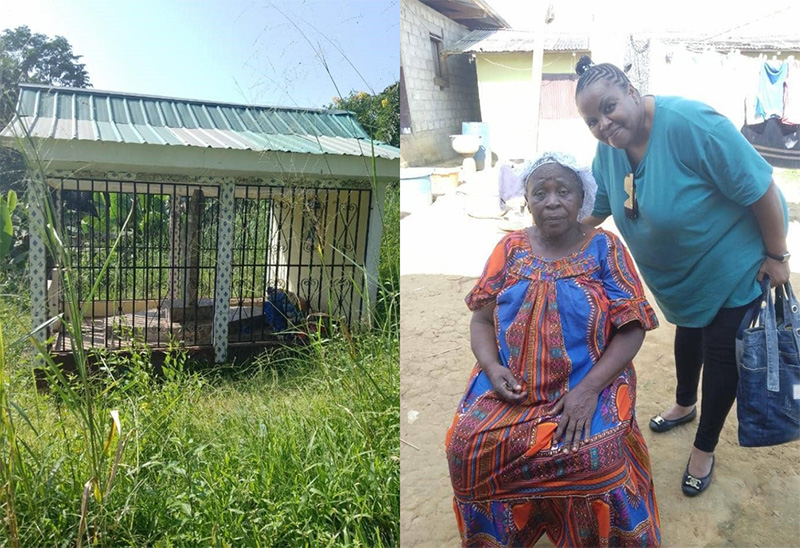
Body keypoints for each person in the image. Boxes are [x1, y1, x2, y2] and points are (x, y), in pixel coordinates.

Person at [574, 55, 790, 497]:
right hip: (682, 278)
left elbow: (762, 188)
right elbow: (596, 211)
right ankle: (683, 404)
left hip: (735, 261)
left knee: (720, 352)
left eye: (610, 108)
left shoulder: (691, 124)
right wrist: (545, 237)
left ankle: (704, 447)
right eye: (592, 120)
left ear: (632, 93)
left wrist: (777, 256)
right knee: (688, 332)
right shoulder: (610, 149)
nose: (603, 124)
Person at [445, 152, 661, 547]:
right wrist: (492, 368)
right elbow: (480, 319)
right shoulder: (509, 248)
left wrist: (589, 390)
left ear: (582, 198)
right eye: (539, 192)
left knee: (598, 456)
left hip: (591, 381)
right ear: (526, 200)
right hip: (512, 387)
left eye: (564, 190)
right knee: (464, 448)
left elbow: (632, 328)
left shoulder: (605, 248)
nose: (552, 201)